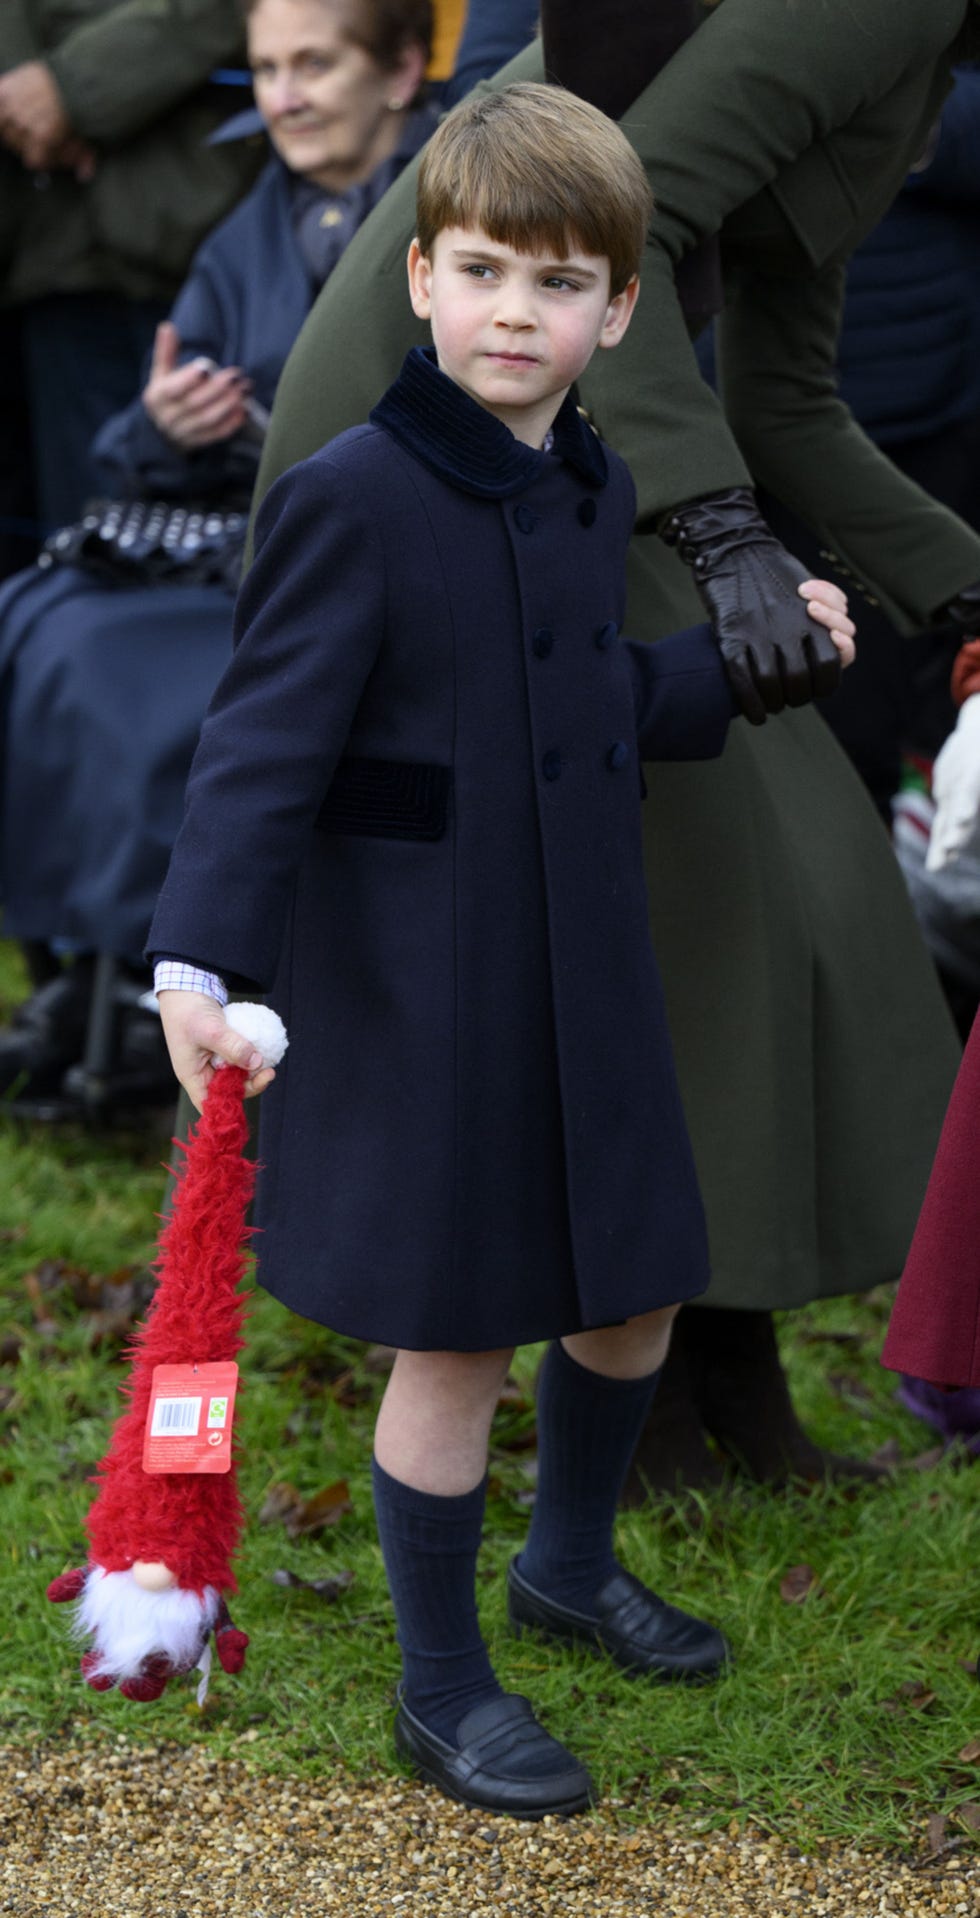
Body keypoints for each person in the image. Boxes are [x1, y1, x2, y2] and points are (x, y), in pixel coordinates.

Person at [147, 83, 854, 1816]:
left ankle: (566, 1562)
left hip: (585, 966)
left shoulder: (582, 480)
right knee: (457, 1337)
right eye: (480, 272)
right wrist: (197, 962)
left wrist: (743, 668)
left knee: (633, 1287)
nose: (513, 314)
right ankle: (444, 1679)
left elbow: (574, 703)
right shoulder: (354, 497)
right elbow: (256, 752)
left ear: (621, 310)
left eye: (556, 284)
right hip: (422, 987)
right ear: (418, 280)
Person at [242, 6, 970, 1493]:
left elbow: (787, 393)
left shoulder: (920, 47)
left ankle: (720, 1375)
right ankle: (638, 1414)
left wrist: (963, 584)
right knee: (720, 877)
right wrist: (719, 530)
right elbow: (613, 202)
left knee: (765, 881)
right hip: (450, 403)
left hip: (600, 412)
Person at [0, 0, 435, 1105]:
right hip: (246, 555)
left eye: (312, 65)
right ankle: (82, 968)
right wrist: (164, 421)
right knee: (43, 623)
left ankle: (161, 992)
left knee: (147, 683)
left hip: (368, 577)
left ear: (397, 74)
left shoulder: (451, 210)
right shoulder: (259, 214)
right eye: (264, 70)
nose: (281, 96)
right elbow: (142, 441)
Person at [0, 0, 261, 532]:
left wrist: (72, 89)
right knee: (65, 566)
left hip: (190, 226)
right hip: (40, 248)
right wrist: (22, 96)